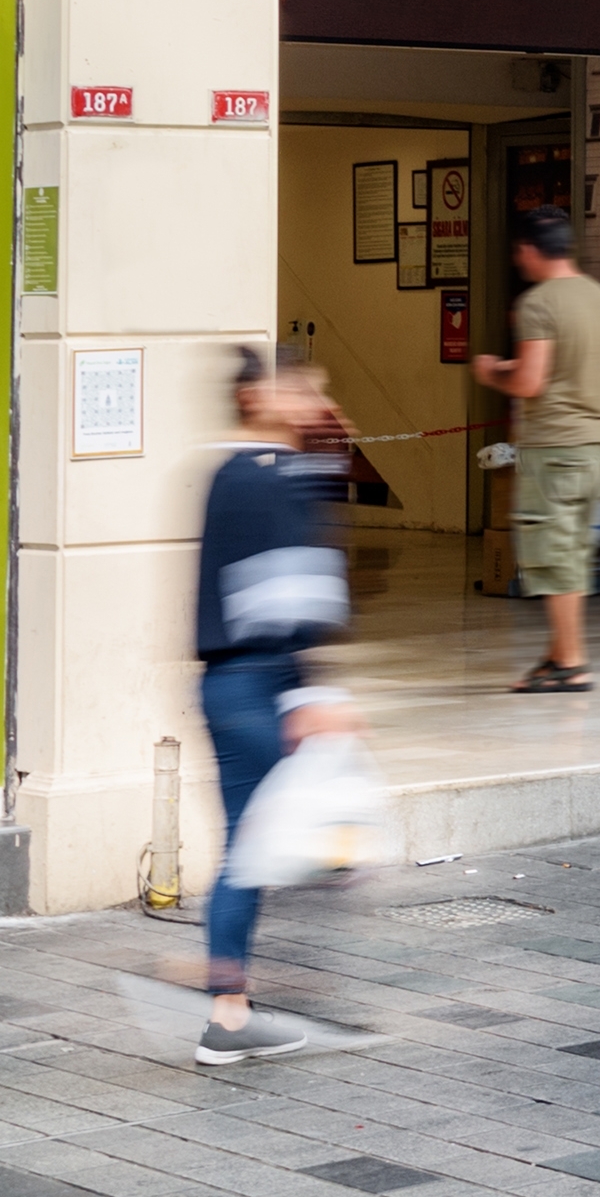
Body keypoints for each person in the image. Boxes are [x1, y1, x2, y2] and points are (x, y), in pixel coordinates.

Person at [190, 349, 363, 1066]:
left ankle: (229, 1011)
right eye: (301, 387)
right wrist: (312, 693)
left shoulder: (234, 474)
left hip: (230, 682)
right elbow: (300, 592)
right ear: (257, 396)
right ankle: (226, 1009)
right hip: (260, 680)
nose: (314, 400)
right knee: (278, 846)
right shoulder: (267, 478)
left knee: (247, 847)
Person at [474, 208, 600, 694]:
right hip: (595, 443)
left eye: (519, 252)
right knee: (572, 553)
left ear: (532, 250)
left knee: (552, 555)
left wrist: (492, 370)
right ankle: (558, 655)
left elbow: (530, 381)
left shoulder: (539, 303)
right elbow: (565, 367)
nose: (519, 261)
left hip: (554, 445)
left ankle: (572, 662)